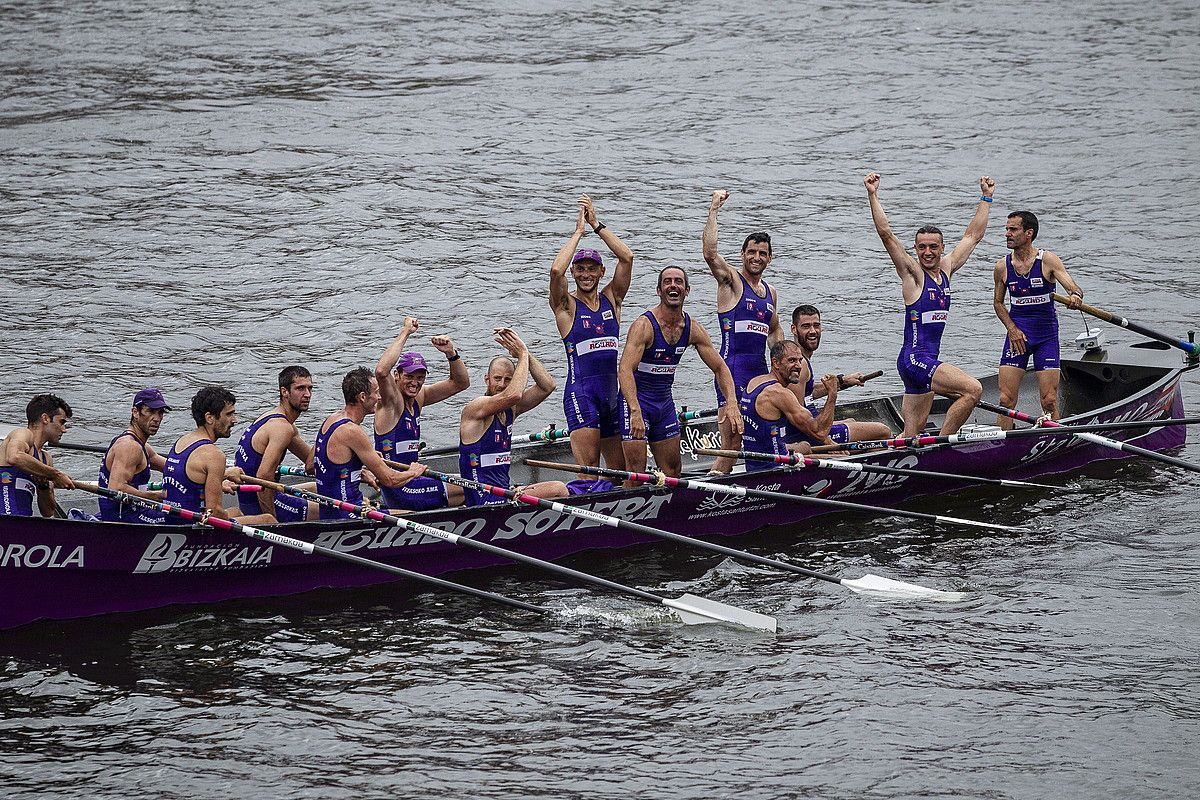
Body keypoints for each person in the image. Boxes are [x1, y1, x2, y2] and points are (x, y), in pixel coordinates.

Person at [865, 171, 994, 436]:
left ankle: (899, 460)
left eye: (933, 247)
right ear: (915, 248)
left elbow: (973, 236)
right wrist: (872, 194)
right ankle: (944, 444)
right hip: (915, 360)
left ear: (941, 247)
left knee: (912, 433)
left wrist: (986, 198)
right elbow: (886, 234)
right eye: (922, 247)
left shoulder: (947, 268)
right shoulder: (912, 274)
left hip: (920, 363)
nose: (927, 252)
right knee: (973, 389)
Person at [617, 266, 741, 479]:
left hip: (664, 403)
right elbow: (625, 369)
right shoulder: (643, 326)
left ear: (687, 290)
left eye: (678, 282)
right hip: (637, 403)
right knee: (635, 473)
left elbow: (720, 368)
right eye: (667, 282)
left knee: (673, 472)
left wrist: (731, 403)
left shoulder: (693, 328)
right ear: (659, 290)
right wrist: (635, 411)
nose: (673, 286)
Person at [548, 193, 634, 474]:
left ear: (601, 272)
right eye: (581, 269)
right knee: (589, 471)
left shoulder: (613, 299)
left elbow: (627, 257)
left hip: (612, 397)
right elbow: (555, 270)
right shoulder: (566, 307)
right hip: (582, 396)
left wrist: (597, 225)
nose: (586, 274)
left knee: (619, 472)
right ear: (574, 272)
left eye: (592, 269)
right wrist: (578, 232)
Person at [702, 189, 783, 473]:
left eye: (762, 253)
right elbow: (710, 254)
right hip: (731, 374)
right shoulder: (732, 282)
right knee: (731, 445)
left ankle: (758, 481)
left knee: (759, 437)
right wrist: (713, 210)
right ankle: (710, 493)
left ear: (769, 258)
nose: (756, 257)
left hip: (760, 375)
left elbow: (774, 333)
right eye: (751, 252)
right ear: (742, 254)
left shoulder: (770, 293)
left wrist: (783, 365)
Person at [992, 211, 1085, 429]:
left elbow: (1074, 288)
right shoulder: (1002, 267)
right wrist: (1012, 329)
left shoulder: (1047, 260)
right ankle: (1004, 445)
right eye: (1006, 229)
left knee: (1049, 400)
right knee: (1005, 400)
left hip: (1046, 337)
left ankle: (1054, 438)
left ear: (1029, 233)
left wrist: (1075, 297)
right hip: (1017, 337)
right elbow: (998, 303)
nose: (1007, 234)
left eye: (1013, 229)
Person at [459, 328, 566, 506]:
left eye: (508, 379)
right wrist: (522, 354)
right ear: (487, 379)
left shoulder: (511, 409)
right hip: (484, 500)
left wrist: (525, 352)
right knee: (558, 489)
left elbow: (548, 386)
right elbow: (514, 395)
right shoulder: (476, 408)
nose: (502, 385)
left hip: (505, 492)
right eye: (497, 378)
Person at [374, 317, 470, 510]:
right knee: (477, 487)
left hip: (415, 481)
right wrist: (405, 332)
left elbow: (460, 383)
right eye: (409, 376)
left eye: (420, 377)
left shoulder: (420, 397)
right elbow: (381, 371)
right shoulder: (391, 403)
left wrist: (451, 353)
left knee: (471, 482)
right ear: (397, 375)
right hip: (401, 488)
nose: (415, 383)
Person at [313, 367, 428, 520]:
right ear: (362, 397)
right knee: (415, 516)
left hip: (330, 510)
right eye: (376, 392)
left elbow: (312, 465)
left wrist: (358, 468)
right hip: (350, 515)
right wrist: (413, 471)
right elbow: (390, 480)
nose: (380, 397)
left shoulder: (331, 420)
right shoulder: (352, 431)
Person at [162, 386, 276, 526]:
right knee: (268, 519)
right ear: (209, 418)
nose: (234, 420)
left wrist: (225, 474)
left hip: (173, 519)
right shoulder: (214, 455)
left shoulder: (182, 441)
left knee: (236, 511)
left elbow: (191, 480)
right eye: (229, 414)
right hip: (193, 526)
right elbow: (214, 512)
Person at [789, 305, 892, 444]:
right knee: (883, 431)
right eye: (806, 326)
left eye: (816, 325)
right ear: (794, 329)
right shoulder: (799, 364)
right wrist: (828, 441)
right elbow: (797, 417)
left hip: (815, 426)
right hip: (811, 434)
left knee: (851, 421)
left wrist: (843, 381)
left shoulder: (801, 359)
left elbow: (807, 392)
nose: (813, 331)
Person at [232, 366, 318, 523]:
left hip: (249, 498)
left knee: (316, 487)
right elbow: (264, 476)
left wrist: (326, 435)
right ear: (284, 391)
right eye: (300, 388)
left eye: (310, 388)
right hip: (260, 502)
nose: (307, 394)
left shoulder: (273, 419)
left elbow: (311, 464)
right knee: (332, 510)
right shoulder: (282, 428)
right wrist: (271, 520)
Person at [740, 342, 839, 472]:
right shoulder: (780, 393)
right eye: (792, 360)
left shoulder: (754, 382)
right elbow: (819, 432)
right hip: (775, 468)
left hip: (756, 463)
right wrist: (832, 393)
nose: (798, 366)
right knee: (842, 456)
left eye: (800, 360)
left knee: (805, 446)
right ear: (776, 363)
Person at [97, 388, 170, 524]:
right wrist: (152, 496)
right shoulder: (130, 447)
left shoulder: (141, 446)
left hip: (133, 513)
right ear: (135, 412)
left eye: (160, 413)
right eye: (150, 411)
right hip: (124, 521)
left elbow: (173, 468)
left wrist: (218, 477)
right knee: (182, 515)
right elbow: (116, 488)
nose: (157, 419)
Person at [0, 394, 75, 517]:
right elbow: (14, 457)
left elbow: (47, 512)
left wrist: (44, 487)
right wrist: (55, 474)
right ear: (45, 418)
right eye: (61, 422)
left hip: (23, 522)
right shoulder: (22, 434)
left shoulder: (46, 459)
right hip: (6, 521)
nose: (64, 429)